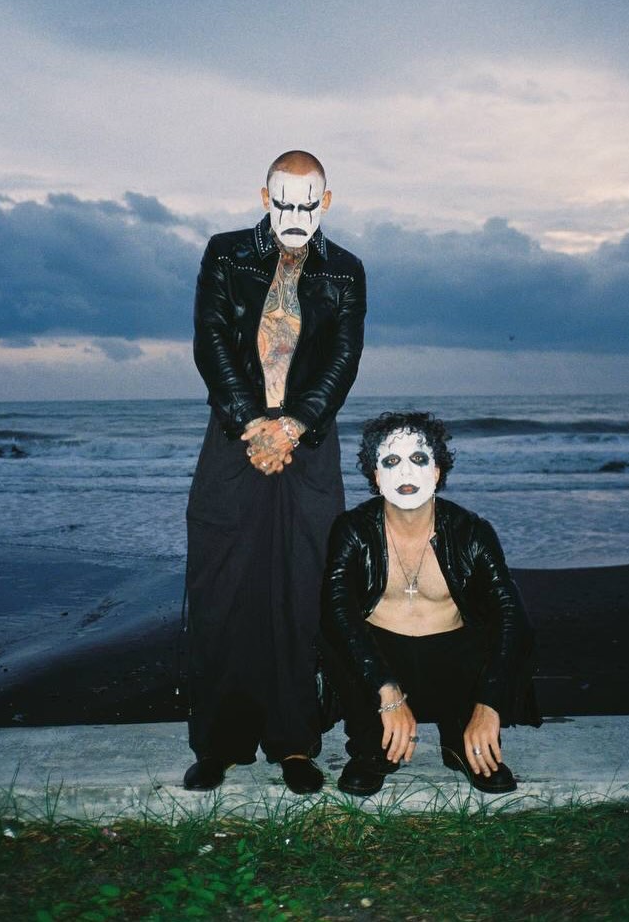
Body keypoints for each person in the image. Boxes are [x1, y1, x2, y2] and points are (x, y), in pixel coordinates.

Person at [183, 150, 366, 794]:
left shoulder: (345, 270)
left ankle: (295, 742)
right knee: (222, 585)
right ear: (265, 197)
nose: (294, 213)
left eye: (307, 202)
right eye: (283, 200)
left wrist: (294, 425)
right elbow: (210, 340)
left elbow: (343, 358)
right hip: (233, 439)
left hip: (309, 447)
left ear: (326, 201)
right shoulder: (226, 253)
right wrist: (251, 422)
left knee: (303, 584)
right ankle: (221, 743)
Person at [320, 411, 540, 796]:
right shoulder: (353, 530)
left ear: (436, 472)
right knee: (340, 637)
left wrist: (490, 704)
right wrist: (387, 691)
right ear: (376, 476)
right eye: (391, 461)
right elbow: (337, 611)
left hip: (453, 663)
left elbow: (511, 616)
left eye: (419, 459)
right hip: (380, 665)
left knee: (473, 740)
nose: (406, 471)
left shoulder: (472, 531)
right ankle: (372, 744)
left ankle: (461, 737)